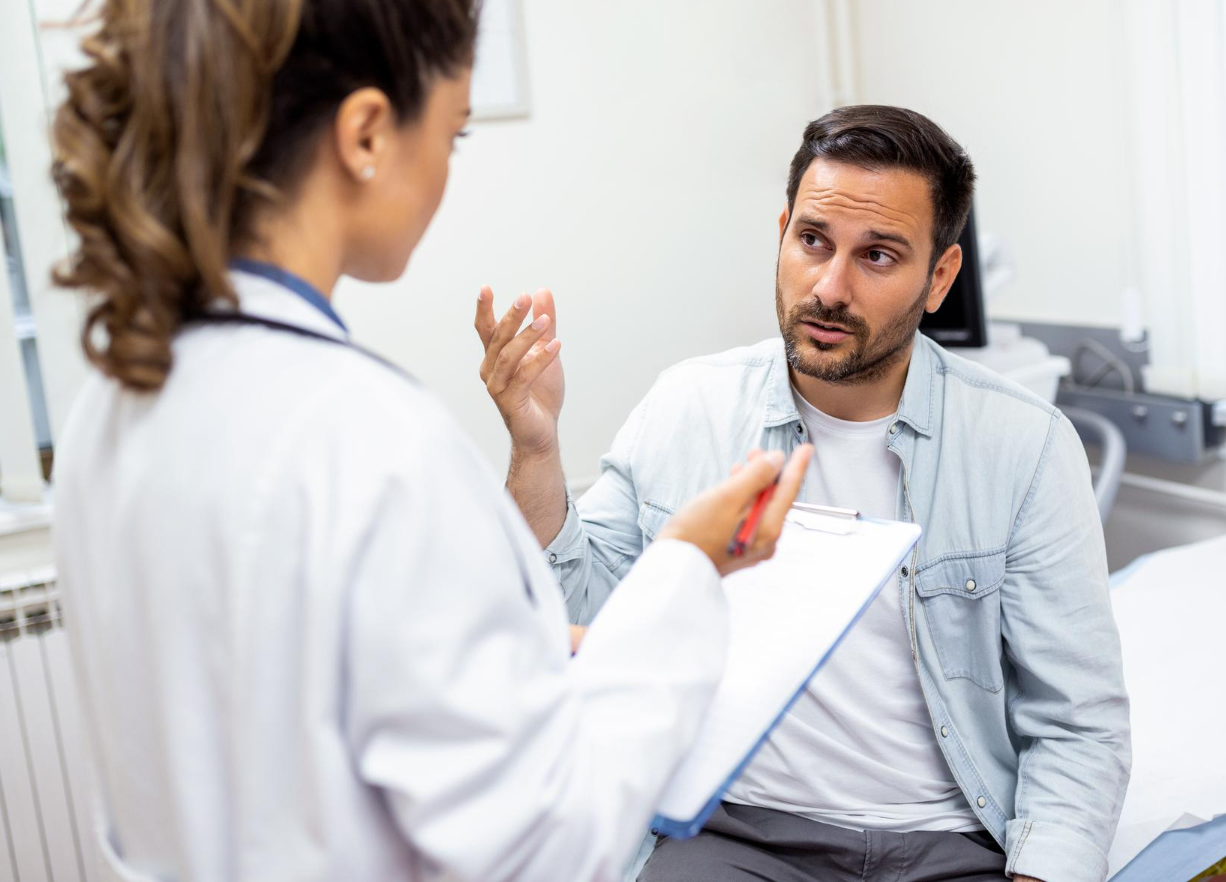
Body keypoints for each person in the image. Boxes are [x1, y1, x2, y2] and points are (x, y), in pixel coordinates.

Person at [48, 0, 812, 880]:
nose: (447, 169)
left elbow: (281, 715)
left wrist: (521, 655)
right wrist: (688, 569)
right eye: (452, 134)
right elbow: (550, 842)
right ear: (367, 133)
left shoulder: (114, 402)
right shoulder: (367, 440)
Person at [476, 105, 1132, 882]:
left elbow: (1077, 723)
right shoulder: (690, 407)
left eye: (878, 255)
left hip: (949, 843)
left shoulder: (1024, 444)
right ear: (783, 231)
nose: (829, 287)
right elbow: (577, 619)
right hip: (736, 834)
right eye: (813, 241)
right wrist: (536, 448)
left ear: (940, 277)